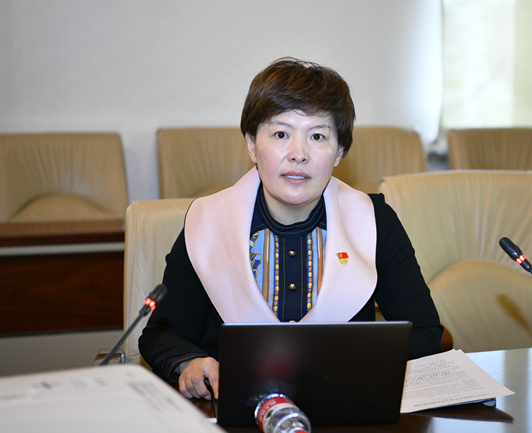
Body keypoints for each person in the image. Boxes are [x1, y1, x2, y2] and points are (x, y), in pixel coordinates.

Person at [139, 57, 444, 401]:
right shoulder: (208, 221)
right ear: (252, 144)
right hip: (233, 408)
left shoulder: (373, 220)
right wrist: (191, 362)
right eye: (281, 134)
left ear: (340, 151)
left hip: (344, 407)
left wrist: (351, 363)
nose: (299, 154)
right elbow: (162, 334)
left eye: (318, 136)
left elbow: (424, 332)